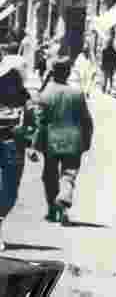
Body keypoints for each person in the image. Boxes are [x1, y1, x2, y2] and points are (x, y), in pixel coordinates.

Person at [31, 57, 93, 226]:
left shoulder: (45, 94)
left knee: (50, 174)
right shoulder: (77, 94)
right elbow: (87, 120)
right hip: (73, 138)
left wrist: (34, 145)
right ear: (68, 73)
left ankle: (52, 209)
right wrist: (86, 141)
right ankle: (64, 200)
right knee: (69, 173)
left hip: (52, 139)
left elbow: (40, 122)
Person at [0, 58, 35, 250]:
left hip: (14, 144)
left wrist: (31, 142)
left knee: (10, 190)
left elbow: (32, 120)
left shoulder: (23, 95)